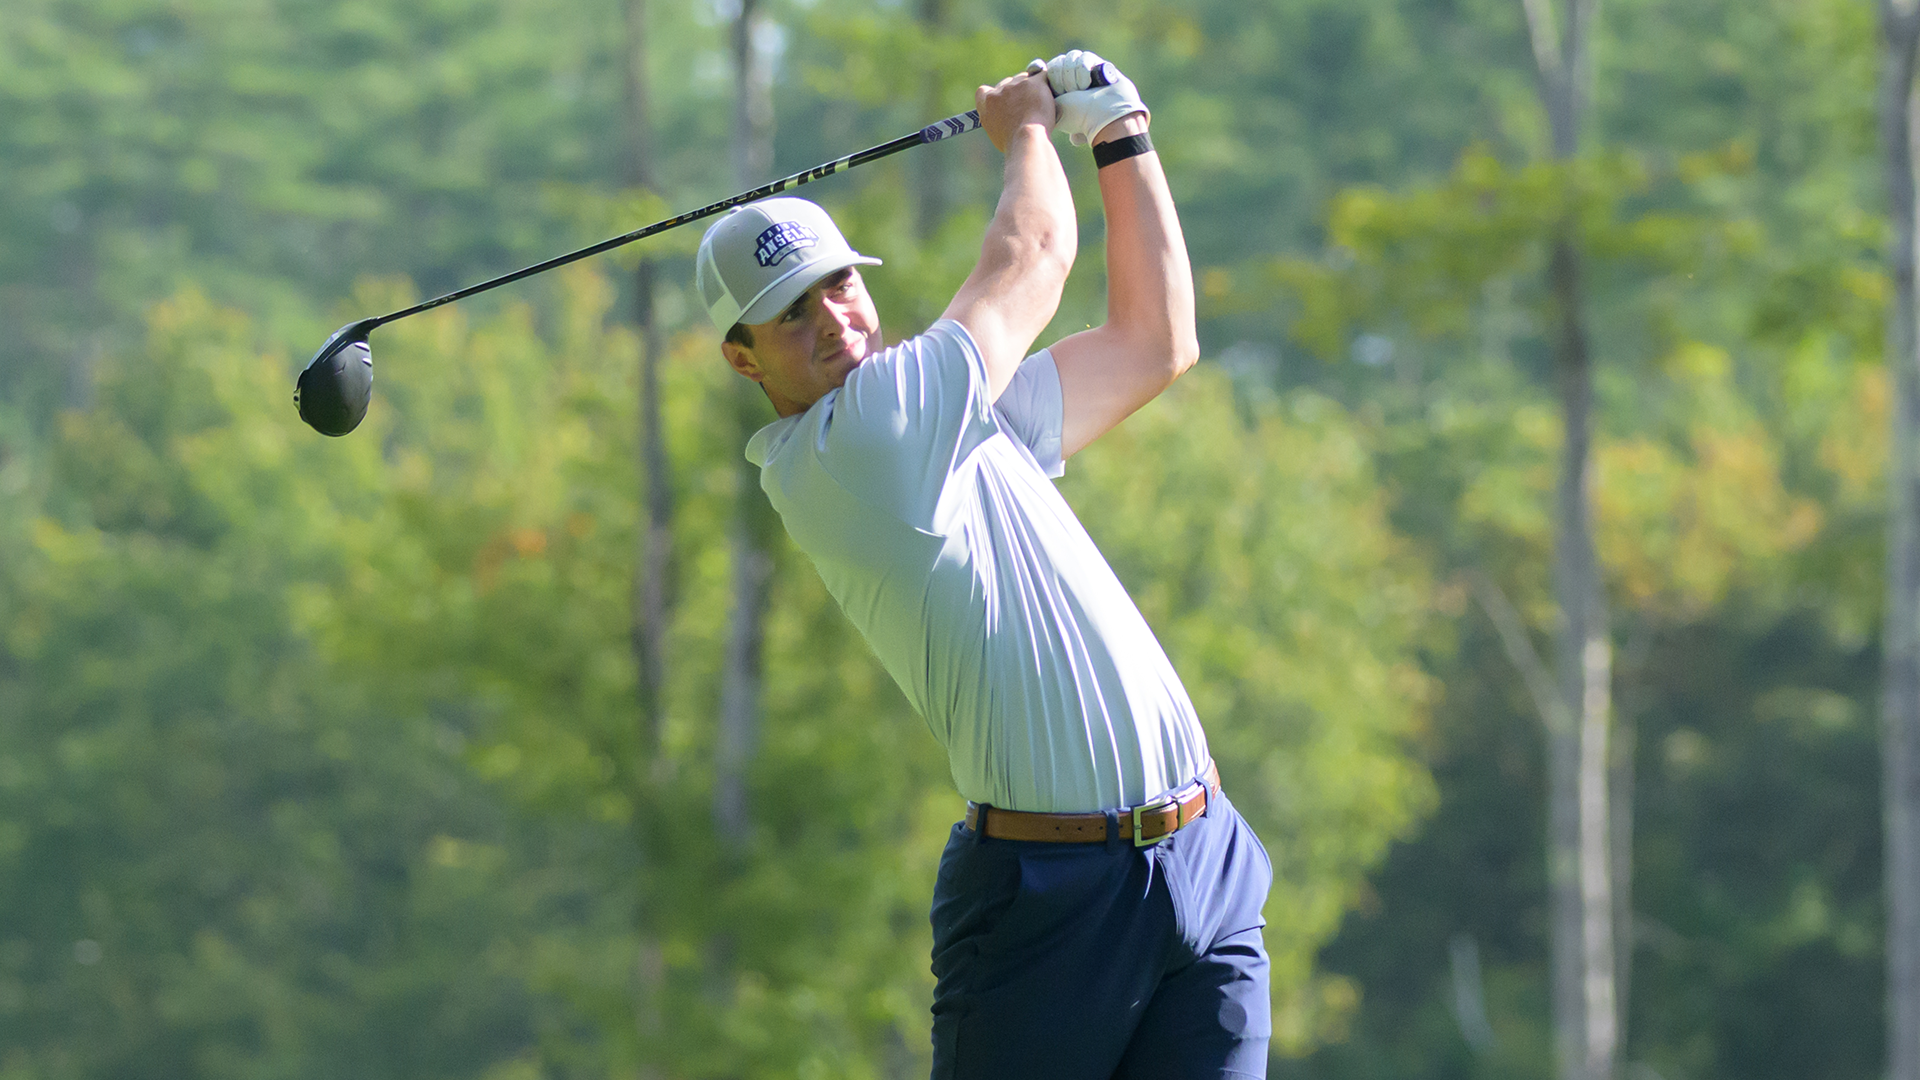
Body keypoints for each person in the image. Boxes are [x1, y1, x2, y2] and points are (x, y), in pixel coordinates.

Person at [693, 52, 1273, 1079]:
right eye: (795, 312)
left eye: (839, 286)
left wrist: (1122, 133)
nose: (836, 320)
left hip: (1203, 854)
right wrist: (1032, 129)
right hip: (1048, 901)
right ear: (744, 358)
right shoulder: (863, 441)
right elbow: (1035, 254)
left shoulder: (940, 417)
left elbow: (1153, 343)